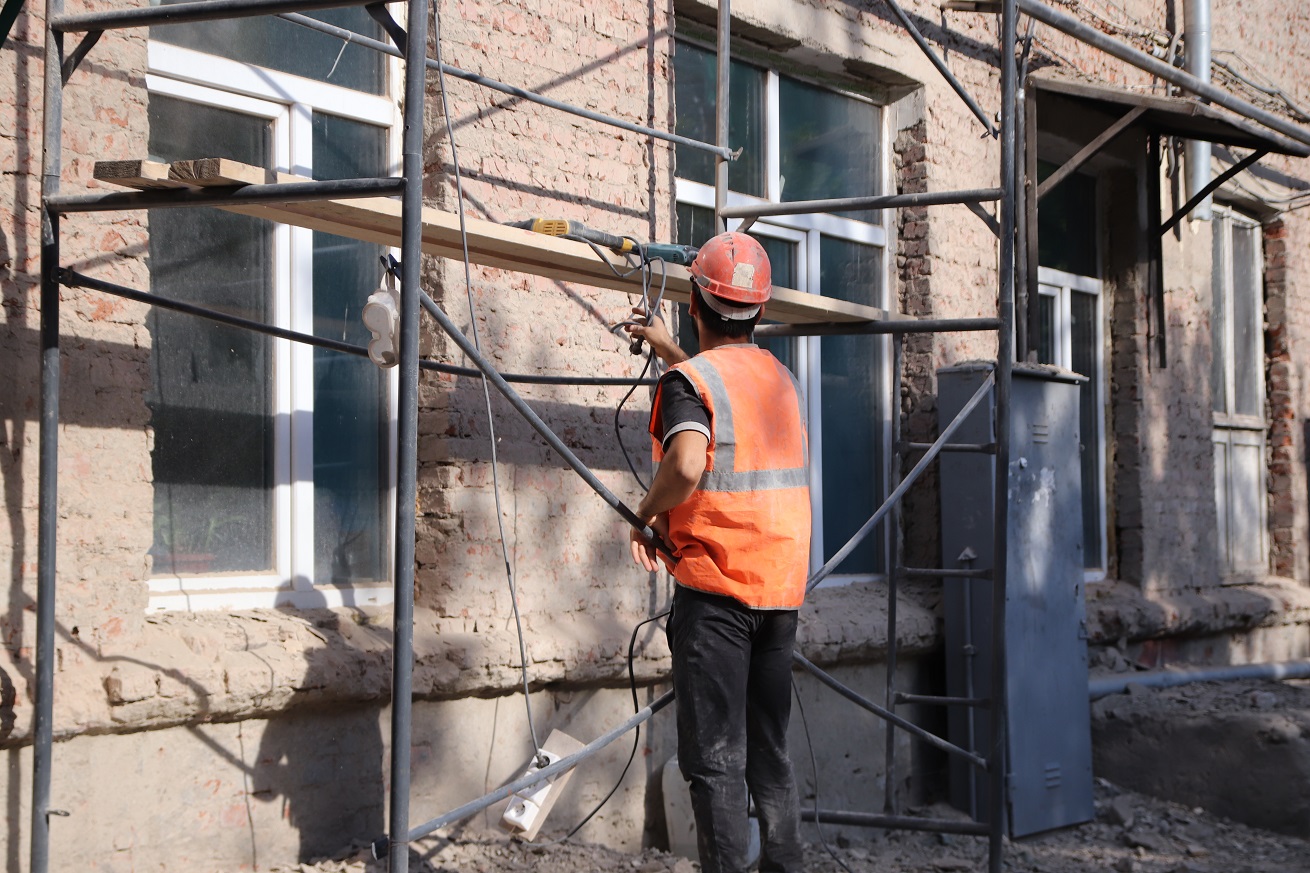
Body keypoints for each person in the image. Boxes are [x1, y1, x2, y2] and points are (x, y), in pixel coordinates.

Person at [625, 231, 811, 873]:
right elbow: (718, 386)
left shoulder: (691, 382)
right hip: (780, 593)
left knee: (717, 764)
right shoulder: (778, 379)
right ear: (759, 310)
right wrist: (665, 351)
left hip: (717, 596)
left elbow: (684, 462)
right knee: (769, 755)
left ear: (694, 301)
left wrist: (645, 514)